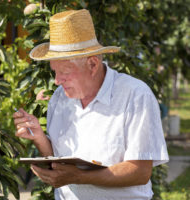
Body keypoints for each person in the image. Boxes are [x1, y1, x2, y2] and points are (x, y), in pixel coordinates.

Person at [13, 9, 169, 200]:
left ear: (93, 65)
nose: (57, 81)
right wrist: (40, 138)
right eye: (55, 71)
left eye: (65, 71)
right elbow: (60, 160)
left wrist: (79, 177)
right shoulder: (59, 98)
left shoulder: (135, 95)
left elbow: (140, 171)